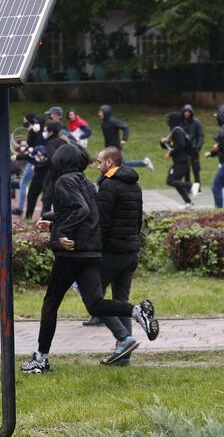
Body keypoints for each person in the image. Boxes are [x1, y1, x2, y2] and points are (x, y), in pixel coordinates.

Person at [20, 144, 159, 374]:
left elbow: (81, 210)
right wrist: (54, 220)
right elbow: (89, 210)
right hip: (92, 253)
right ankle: (136, 311)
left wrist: (61, 233)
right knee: (94, 303)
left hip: (71, 254)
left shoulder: (63, 181)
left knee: (50, 303)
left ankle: (41, 359)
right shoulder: (87, 182)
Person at [95, 146, 144, 366]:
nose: (98, 166)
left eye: (99, 162)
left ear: (110, 163)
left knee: (94, 300)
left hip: (111, 253)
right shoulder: (135, 185)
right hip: (131, 251)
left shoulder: (108, 185)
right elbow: (138, 221)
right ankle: (124, 358)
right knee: (121, 302)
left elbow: (102, 223)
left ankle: (124, 339)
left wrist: (96, 248)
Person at [98, 105, 153, 170]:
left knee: (121, 164)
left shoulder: (113, 121)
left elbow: (125, 127)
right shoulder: (103, 123)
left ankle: (144, 162)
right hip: (109, 147)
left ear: (106, 112)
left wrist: (124, 139)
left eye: (101, 112)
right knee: (111, 165)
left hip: (116, 147)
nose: (99, 114)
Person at [161, 113, 193, 205]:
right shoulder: (175, 131)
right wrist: (163, 143)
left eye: (169, 119)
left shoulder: (177, 131)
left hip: (182, 162)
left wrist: (170, 153)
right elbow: (172, 146)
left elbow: (180, 145)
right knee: (176, 182)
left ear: (173, 120)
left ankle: (192, 186)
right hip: (180, 161)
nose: (167, 121)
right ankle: (188, 202)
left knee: (170, 181)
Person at [15, 113, 44, 215]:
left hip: (34, 162)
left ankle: (20, 208)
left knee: (23, 183)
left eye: (25, 120)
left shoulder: (33, 132)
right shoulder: (36, 131)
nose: (24, 122)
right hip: (36, 162)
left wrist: (20, 155)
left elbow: (33, 149)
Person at [180, 104, 204, 196]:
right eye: (185, 111)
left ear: (191, 112)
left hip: (194, 150)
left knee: (196, 170)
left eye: (188, 112)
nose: (186, 113)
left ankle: (198, 188)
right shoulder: (181, 123)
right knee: (186, 169)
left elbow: (200, 135)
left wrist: (198, 146)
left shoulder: (196, 123)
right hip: (185, 150)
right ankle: (188, 187)